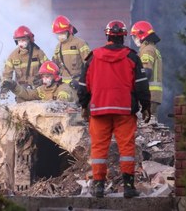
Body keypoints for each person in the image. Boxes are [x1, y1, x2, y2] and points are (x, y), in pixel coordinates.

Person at [77, 20, 151, 198]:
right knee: (126, 148)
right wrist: (146, 106)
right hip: (124, 110)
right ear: (123, 37)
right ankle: (128, 187)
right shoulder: (132, 57)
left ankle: (99, 187)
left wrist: (84, 106)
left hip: (99, 109)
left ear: (107, 36)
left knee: (99, 149)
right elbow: (141, 85)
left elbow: (82, 86)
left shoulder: (92, 57)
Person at [2, 25, 49, 101]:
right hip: (21, 92)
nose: (21, 42)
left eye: (23, 40)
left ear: (29, 39)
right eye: (19, 40)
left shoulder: (38, 53)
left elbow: (48, 69)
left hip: (37, 91)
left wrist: (43, 81)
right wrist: (4, 89)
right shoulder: (13, 56)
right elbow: (7, 74)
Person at [131, 21, 163, 125]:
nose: (134, 40)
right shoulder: (152, 49)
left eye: (134, 36)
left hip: (148, 94)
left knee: (147, 125)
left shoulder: (147, 50)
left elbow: (145, 73)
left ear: (141, 35)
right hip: (152, 95)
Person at [50, 15, 90, 93]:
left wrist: (82, 82)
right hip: (63, 85)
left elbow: (89, 65)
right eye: (58, 34)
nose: (60, 35)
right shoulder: (58, 47)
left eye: (62, 32)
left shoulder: (80, 43)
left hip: (78, 84)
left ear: (69, 31)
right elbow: (56, 67)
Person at [1, 61, 74, 102]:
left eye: (47, 76)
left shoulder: (63, 87)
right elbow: (28, 94)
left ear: (55, 77)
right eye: (43, 76)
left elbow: (63, 98)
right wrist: (14, 86)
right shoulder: (42, 89)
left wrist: (60, 100)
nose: (44, 79)